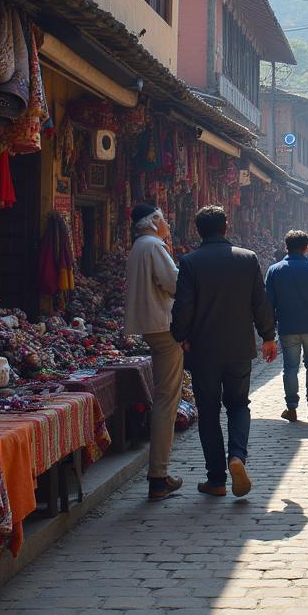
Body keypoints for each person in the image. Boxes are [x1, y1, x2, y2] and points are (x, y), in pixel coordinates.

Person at [171, 206, 278, 498]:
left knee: (208, 412)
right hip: (239, 348)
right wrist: (269, 336)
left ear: (198, 230)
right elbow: (260, 302)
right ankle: (237, 457)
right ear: (226, 226)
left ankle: (216, 479)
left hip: (203, 350)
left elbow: (183, 307)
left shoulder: (190, 262)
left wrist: (181, 336)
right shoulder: (247, 259)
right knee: (238, 405)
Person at [123, 203, 184, 501]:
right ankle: (158, 476)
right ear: (155, 221)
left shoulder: (140, 246)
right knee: (167, 401)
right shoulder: (153, 245)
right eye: (165, 220)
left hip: (150, 326)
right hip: (164, 326)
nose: (168, 226)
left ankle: (159, 473)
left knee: (164, 397)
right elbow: (174, 283)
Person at [266, 231, 308, 422]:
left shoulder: (274, 270)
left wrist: (268, 333)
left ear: (286, 247)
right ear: (306, 247)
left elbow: (268, 304)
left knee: (290, 368)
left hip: (287, 327)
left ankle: (292, 408)